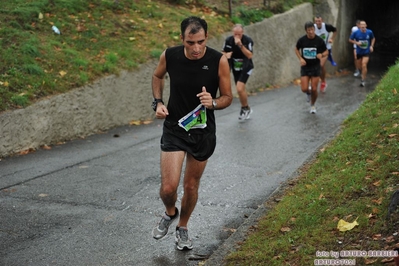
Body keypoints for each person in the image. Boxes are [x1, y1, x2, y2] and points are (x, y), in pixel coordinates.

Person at [151, 16, 232, 250]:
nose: (196, 48)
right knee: (168, 188)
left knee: (191, 186)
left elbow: (227, 97)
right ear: (182, 39)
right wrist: (157, 102)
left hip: (202, 131)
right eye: (190, 43)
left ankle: (183, 227)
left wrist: (213, 103)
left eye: (201, 42)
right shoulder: (170, 55)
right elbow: (157, 76)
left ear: (206, 37)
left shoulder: (219, 61)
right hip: (175, 126)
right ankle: (170, 212)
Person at [222, 24, 254, 121]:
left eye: (239, 34)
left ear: (242, 33)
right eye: (235, 34)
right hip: (235, 67)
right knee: (240, 89)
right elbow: (222, 52)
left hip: (246, 66)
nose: (236, 36)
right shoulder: (228, 40)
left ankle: (245, 108)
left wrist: (240, 45)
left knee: (239, 88)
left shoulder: (248, 40)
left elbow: (250, 55)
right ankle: (246, 108)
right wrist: (226, 55)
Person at [295, 21, 328, 114]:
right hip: (305, 67)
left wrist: (321, 54)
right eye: (308, 30)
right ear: (306, 31)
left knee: (314, 88)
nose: (311, 32)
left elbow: (326, 52)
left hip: (315, 66)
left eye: (312, 29)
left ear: (314, 29)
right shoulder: (302, 40)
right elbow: (296, 49)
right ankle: (308, 93)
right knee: (304, 89)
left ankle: (313, 105)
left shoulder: (319, 40)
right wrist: (300, 59)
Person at [314, 16, 337, 92]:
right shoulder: (313, 27)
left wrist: (332, 39)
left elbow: (335, 30)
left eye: (319, 21)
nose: (318, 23)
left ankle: (323, 82)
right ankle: (322, 81)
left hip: (326, 49)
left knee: (320, 65)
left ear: (322, 20)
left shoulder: (327, 26)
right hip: (316, 50)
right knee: (316, 66)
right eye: (316, 21)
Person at [349, 20, 375, 87]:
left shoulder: (369, 32)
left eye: (364, 25)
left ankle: (363, 80)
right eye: (361, 25)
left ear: (366, 25)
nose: (363, 26)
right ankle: (362, 73)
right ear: (359, 26)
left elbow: (373, 38)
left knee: (364, 64)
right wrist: (357, 43)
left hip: (366, 52)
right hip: (359, 52)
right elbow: (350, 40)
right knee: (360, 65)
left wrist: (371, 46)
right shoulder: (356, 33)